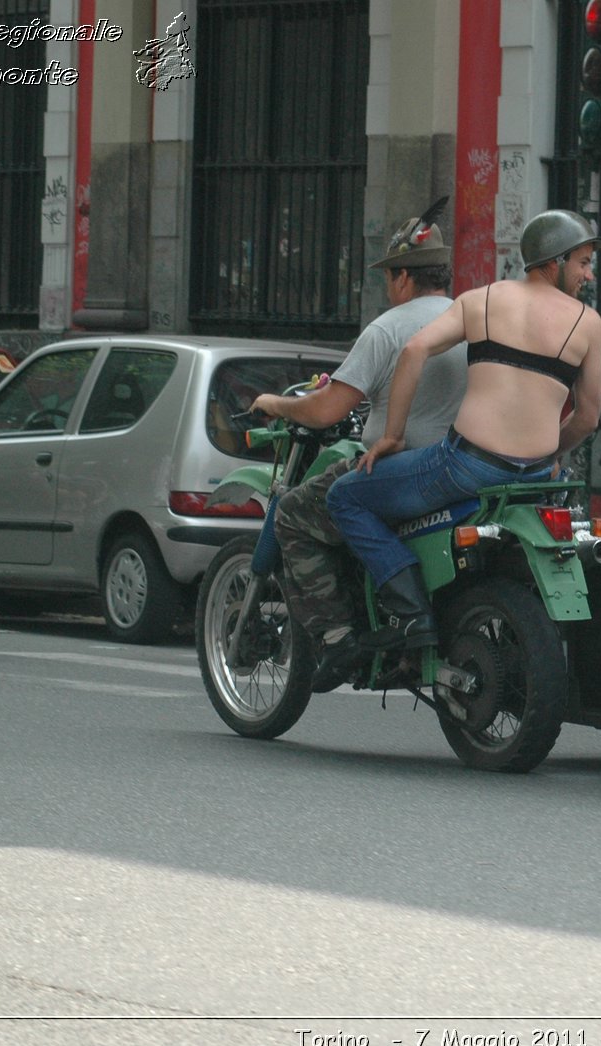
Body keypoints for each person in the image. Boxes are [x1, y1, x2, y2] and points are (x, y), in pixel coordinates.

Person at [325, 208, 601, 649]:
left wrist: (393, 436)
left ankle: (412, 612)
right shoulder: (588, 324)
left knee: (343, 496)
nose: (587, 275)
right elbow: (587, 417)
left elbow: (414, 350)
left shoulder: (483, 300)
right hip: (533, 481)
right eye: (583, 263)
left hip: (465, 469)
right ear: (554, 261)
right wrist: (548, 456)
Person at [247, 199, 468, 691]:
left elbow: (326, 410)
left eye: (390, 277)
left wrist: (277, 404)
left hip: (401, 475)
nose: (389, 288)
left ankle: (337, 637)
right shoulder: (468, 320)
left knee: (295, 514)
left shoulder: (389, 328)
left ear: (404, 279)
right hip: (458, 471)